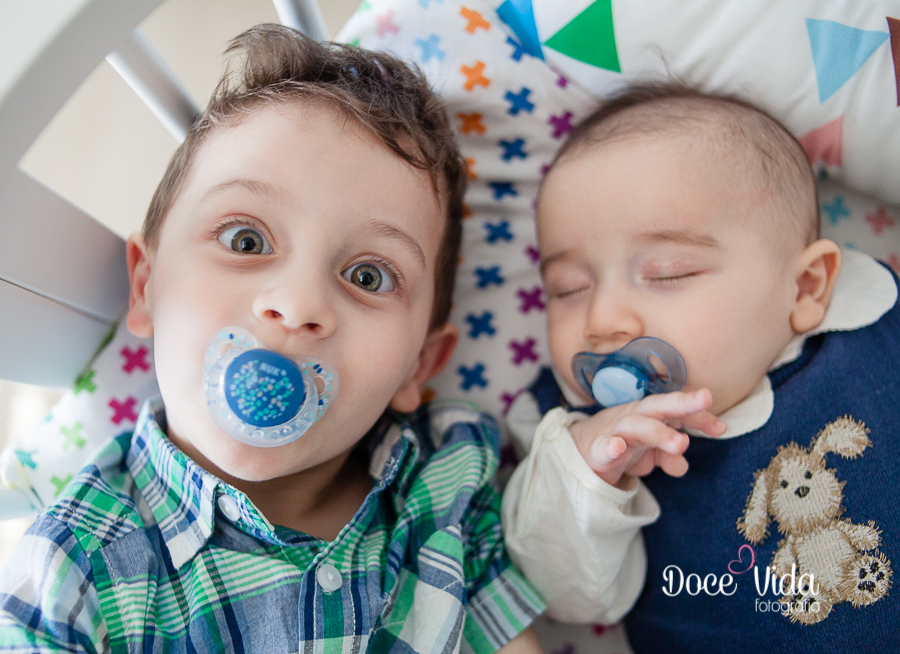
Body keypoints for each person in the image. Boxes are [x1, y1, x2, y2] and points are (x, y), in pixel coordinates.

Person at [0, 25, 544, 653]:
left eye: (368, 277)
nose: (298, 305)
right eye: (246, 241)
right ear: (147, 287)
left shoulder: (445, 486)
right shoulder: (75, 566)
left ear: (418, 366)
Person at [501, 82, 899, 651]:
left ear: (806, 286)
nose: (602, 319)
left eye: (668, 273)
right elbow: (565, 598)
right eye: (568, 289)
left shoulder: (876, 326)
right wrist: (585, 475)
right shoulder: (572, 438)